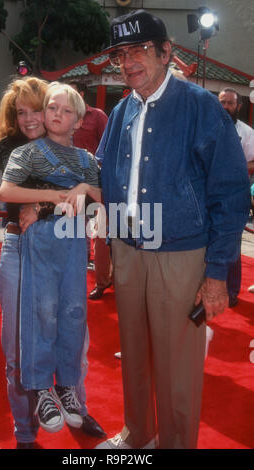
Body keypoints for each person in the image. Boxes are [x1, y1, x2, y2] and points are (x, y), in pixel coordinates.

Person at [95, 10, 250, 450]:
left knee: (177, 363)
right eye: (121, 54)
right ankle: (138, 433)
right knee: (135, 352)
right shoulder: (122, 109)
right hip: (127, 249)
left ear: (167, 53)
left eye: (140, 50)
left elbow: (231, 192)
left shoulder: (200, 107)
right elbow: (104, 174)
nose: (128, 62)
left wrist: (217, 271)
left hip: (180, 254)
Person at [0, 78, 104, 448]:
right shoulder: (18, 148)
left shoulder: (78, 155)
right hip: (19, 247)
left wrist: (60, 198)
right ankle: (25, 431)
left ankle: (77, 405)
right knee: (19, 347)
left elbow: (93, 202)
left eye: (35, 109)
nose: (29, 118)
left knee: (75, 333)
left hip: (66, 246)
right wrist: (52, 198)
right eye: (19, 112)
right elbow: (9, 195)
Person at [69, 80, 112, 300]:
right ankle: (81, 260)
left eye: (73, 92)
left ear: (82, 94)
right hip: (68, 180)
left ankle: (104, 277)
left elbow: (108, 147)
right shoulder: (64, 116)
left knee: (101, 230)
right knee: (75, 223)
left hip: (96, 180)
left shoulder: (97, 116)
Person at [218, 88, 254, 307]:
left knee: (231, 243)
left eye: (230, 103)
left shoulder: (247, 133)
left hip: (234, 195)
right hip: (206, 195)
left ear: (238, 106)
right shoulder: (206, 128)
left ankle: (231, 291)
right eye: (222, 102)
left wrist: (235, 168)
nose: (225, 107)